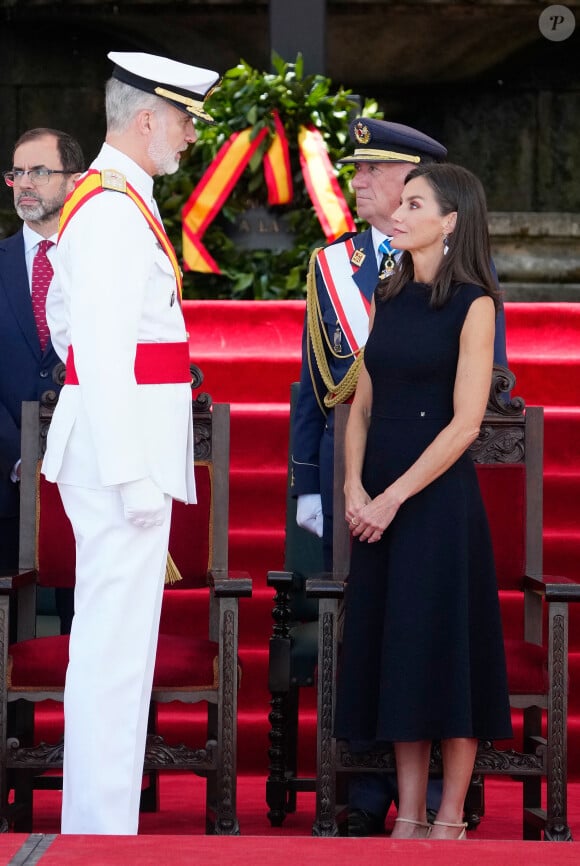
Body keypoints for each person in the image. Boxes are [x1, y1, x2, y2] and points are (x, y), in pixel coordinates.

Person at [290, 117, 509, 834]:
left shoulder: (475, 300)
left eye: (415, 202)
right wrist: (346, 488)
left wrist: (387, 497)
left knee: (441, 647)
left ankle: (447, 817)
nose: (396, 210)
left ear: (449, 221)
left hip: (431, 500)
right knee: (392, 650)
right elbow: (350, 401)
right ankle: (397, 810)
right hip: (373, 494)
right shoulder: (382, 292)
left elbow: (466, 422)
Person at [42, 50, 220, 835]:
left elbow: (62, 327)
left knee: (115, 649)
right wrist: (133, 474)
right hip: (122, 465)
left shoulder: (113, 202)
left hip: (120, 456)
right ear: (147, 118)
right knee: (113, 654)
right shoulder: (114, 210)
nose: (187, 136)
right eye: (183, 120)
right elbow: (104, 353)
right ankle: (97, 832)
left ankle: (99, 825)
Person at [0, 128, 84, 619]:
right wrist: (18, 458)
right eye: (17, 173)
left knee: (91, 630)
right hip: (5, 482)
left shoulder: (99, 261)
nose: (24, 184)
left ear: (73, 182)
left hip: (88, 477)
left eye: (39, 171)